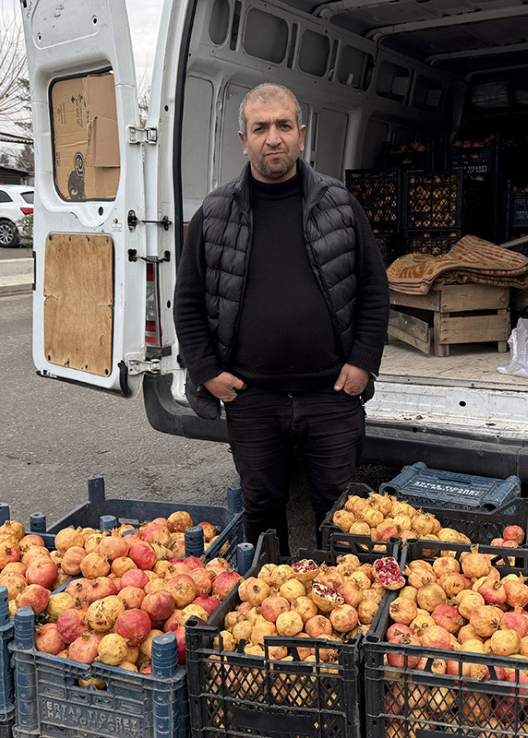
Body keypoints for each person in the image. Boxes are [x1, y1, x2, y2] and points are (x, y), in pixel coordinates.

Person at [173, 83, 389, 556]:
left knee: (342, 516)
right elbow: (186, 304)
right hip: (253, 399)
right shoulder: (214, 214)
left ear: (301, 134)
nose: (274, 138)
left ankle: (339, 616)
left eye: (284, 126)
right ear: (243, 140)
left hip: (330, 395)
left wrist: (362, 362)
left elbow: (374, 289)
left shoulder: (340, 206)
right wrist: (208, 374)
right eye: (261, 128)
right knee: (263, 510)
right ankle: (269, 610)